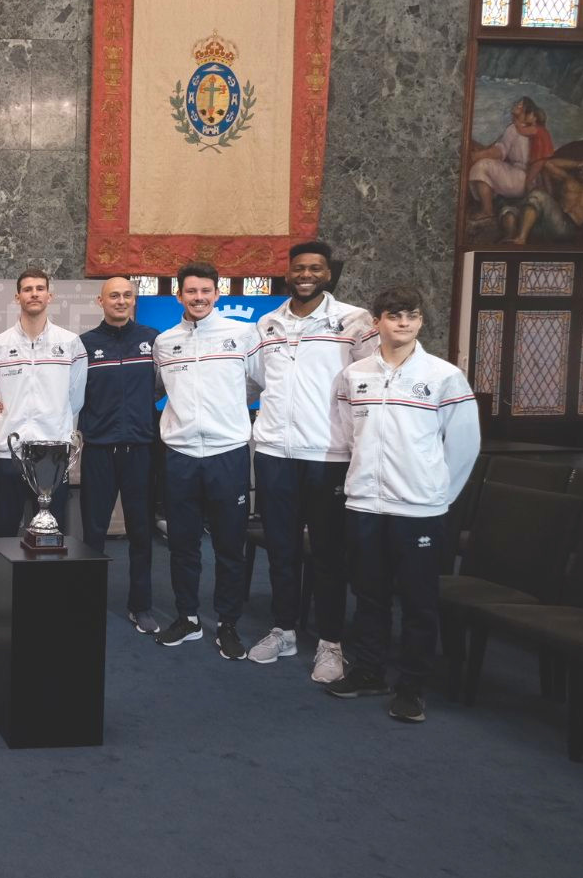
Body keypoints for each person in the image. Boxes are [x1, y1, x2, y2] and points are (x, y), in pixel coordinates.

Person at [327, 286, 479, 723]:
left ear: (421, 321)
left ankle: (412, 685)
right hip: (365, 506)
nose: (403, 323)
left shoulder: (443, 375)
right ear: (377, 321)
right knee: (369, 595)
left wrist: (438, 495)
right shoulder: (355, 375)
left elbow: (465, 444)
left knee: (418, 601)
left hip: (420, 510)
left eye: (411, 316)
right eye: (394, 316)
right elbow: (346, 432)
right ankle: (370, 671)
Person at [244, 241, 377, 683]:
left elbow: (374, 380)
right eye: (299, 267)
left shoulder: (355, 321)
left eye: (315, 268)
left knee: (327, 554)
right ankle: (283, 630)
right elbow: (258, 382)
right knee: (281, 550)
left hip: (328, 455)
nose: (306, 274)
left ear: (327, 274)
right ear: (288, 273)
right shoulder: (267, 323)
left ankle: (330, 642)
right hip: (274, 453)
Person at [152, 261, 262, 659]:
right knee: (182, 543)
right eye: (191, 292)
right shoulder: (165, 342)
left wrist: (225, 413)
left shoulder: (242, 335)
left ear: (218, 294)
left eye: (206, 291)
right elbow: (162, 388)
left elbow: (256, 384)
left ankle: (228, 622)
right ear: (179, 295)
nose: (198, 298)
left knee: (230, 545)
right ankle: (188, 618)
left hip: (227, 453)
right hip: (180, 454)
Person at [0, 268, 88, 537]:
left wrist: (53, 423)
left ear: (50, 295)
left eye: (40, 288)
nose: (34, 294)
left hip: (53, 455)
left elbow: (75, 400)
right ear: (18, 297)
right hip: (9, 455)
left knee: (52, 533)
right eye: (27, 289)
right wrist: (2, 424)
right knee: (4, 533)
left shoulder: (71, 343)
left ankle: (48, 582)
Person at [78, 276, 160, 634]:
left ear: (134, 300)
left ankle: (140, 606)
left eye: (127, 295)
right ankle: (88, 603)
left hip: (141, 450)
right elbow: (70, 395)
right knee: (93, 533)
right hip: (99, 450)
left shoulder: (153, 340)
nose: (121, 301)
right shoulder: (83, 345)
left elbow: (164, 387)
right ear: (101, 301)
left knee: (141, 533)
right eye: (114, 295)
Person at [467, 97, 535, 222]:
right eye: (517, 104)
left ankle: (487, 210)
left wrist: (478, 155)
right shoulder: (529, 129)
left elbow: (500, 151)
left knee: (481, 165)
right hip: (528, 180)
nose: (516, 106)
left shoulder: (514, 129)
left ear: (526, 113)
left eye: (520, 106)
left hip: (519, 179)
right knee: (488, 164)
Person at [502, 158, 583, 245]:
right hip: (550, 224)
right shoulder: (568, 179)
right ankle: (511, 237)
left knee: (538, 195)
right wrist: (577, 163)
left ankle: (521, 239)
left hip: (568, 229)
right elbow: (548, 163)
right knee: (509, 210)